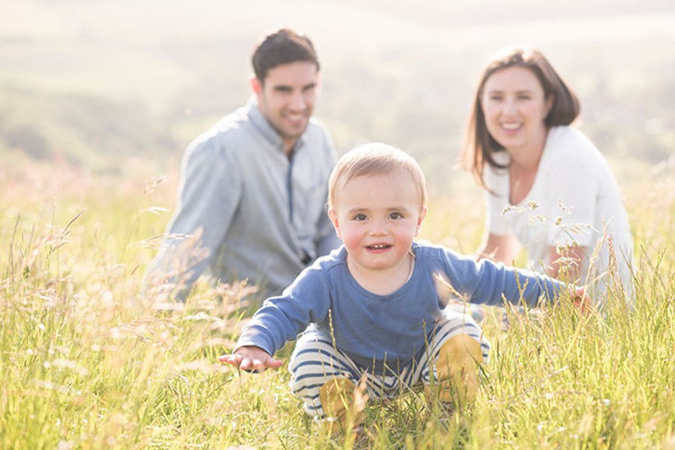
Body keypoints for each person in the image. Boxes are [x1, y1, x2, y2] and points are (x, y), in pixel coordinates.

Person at [220, 143, 589, 432]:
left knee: (461, 332)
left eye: (395, 215)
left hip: (420, 366)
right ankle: (346, 423)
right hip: (352, 369)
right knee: (308, 356)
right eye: (360, 216)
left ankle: (447, 410)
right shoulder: (326, 276)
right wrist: (255, 342)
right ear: (336, 221)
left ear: (419, 220)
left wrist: (554, 293)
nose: (378, 229)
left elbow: (492, 279)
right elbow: (285, 310)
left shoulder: (433, 264)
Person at [145, 28, 340, 303]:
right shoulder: (220, 152)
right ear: (257, 88)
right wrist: (149, 326)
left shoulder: (318, 138)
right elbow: (186, 252)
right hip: (251, 318)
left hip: (316, 311)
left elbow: (332, 230)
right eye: (284, 90)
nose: (298, 104)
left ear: (318, 82)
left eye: (307, 89)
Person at [460, 47, 634, 309]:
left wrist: (518, 325)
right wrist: (450, 294)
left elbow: (566, 268)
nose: (508, 111)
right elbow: (497, 253)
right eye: (496, 97)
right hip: (540, 301)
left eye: (523, 97)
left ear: (547, 103)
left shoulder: (568, 157)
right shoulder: (498, 163)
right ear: (482, 103)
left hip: (594, 313)